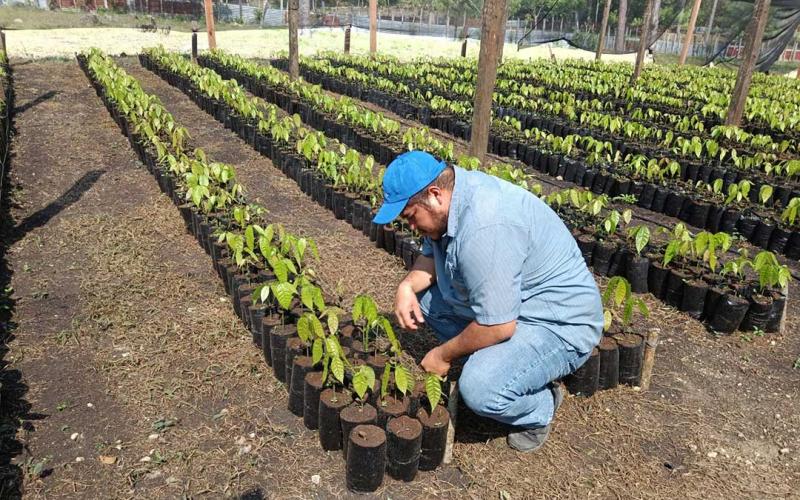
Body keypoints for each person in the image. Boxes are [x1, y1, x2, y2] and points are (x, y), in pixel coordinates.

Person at [372, 151, 603, 452]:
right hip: (517, 307)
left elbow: (499, 326)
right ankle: (505, 366)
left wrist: (442, 356)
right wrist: (405, 287)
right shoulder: (452, 202)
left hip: (558, 324)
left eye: (410, 217)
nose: (411, 227)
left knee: (480, 388)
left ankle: (540, 407)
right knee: (424, 300)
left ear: (434, 195)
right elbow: (430, 256)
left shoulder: (485, 227)